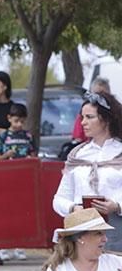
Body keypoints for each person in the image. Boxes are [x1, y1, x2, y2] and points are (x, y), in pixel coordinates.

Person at [53, 91, 122, 251]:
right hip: (81, 233)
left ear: (106, 119)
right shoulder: (77, 155)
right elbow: (59, 200)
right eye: (82, 117)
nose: (83, 122)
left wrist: (116, 206)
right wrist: (74, 208)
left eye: (89, 117)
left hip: (117, 234)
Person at [72, 77, 111, 143]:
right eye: (95, 95)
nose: (98, 99)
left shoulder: (116, 114)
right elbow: (78, 138)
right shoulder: (84, 114)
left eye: (102, 96)